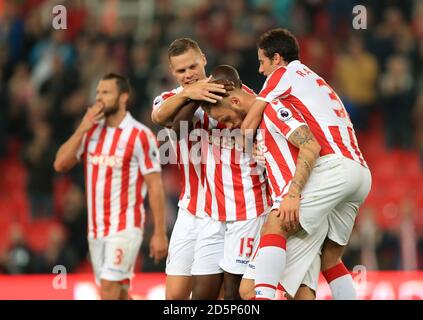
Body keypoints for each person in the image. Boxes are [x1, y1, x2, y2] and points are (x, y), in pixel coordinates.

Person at [240, 28, 372, 299]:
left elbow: (249, 121)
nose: (261, 70)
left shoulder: (283, 74)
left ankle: (262, 298)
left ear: (276, 58)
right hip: (359, 170)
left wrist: (248, 144)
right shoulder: (314, 78)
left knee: (277, 222)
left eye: (262, 62)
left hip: (333, 166)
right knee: (331, 260)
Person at [151, 38, 270, 300]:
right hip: (192, 208)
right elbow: (160, 118)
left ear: (203, 59)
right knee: (175, 296)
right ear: (173, 72)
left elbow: (257, 114)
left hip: (232, 210)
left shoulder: (233, 94)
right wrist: (187, 94)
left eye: (192, 66)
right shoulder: (171, 99)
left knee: (219, 294)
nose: (188, 74)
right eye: (181, 71)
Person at [54, 73, 168, 300]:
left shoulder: (140, 135)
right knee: (119, 294)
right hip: (96, 230)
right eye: (97, 92)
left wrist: (159, 233)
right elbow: (60, 164)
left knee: (108, 289)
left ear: (123, 97)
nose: (99, 98)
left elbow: (155, 185)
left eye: (105, 92)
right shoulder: (91, 132)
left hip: (125, 227)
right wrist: (83, 127)